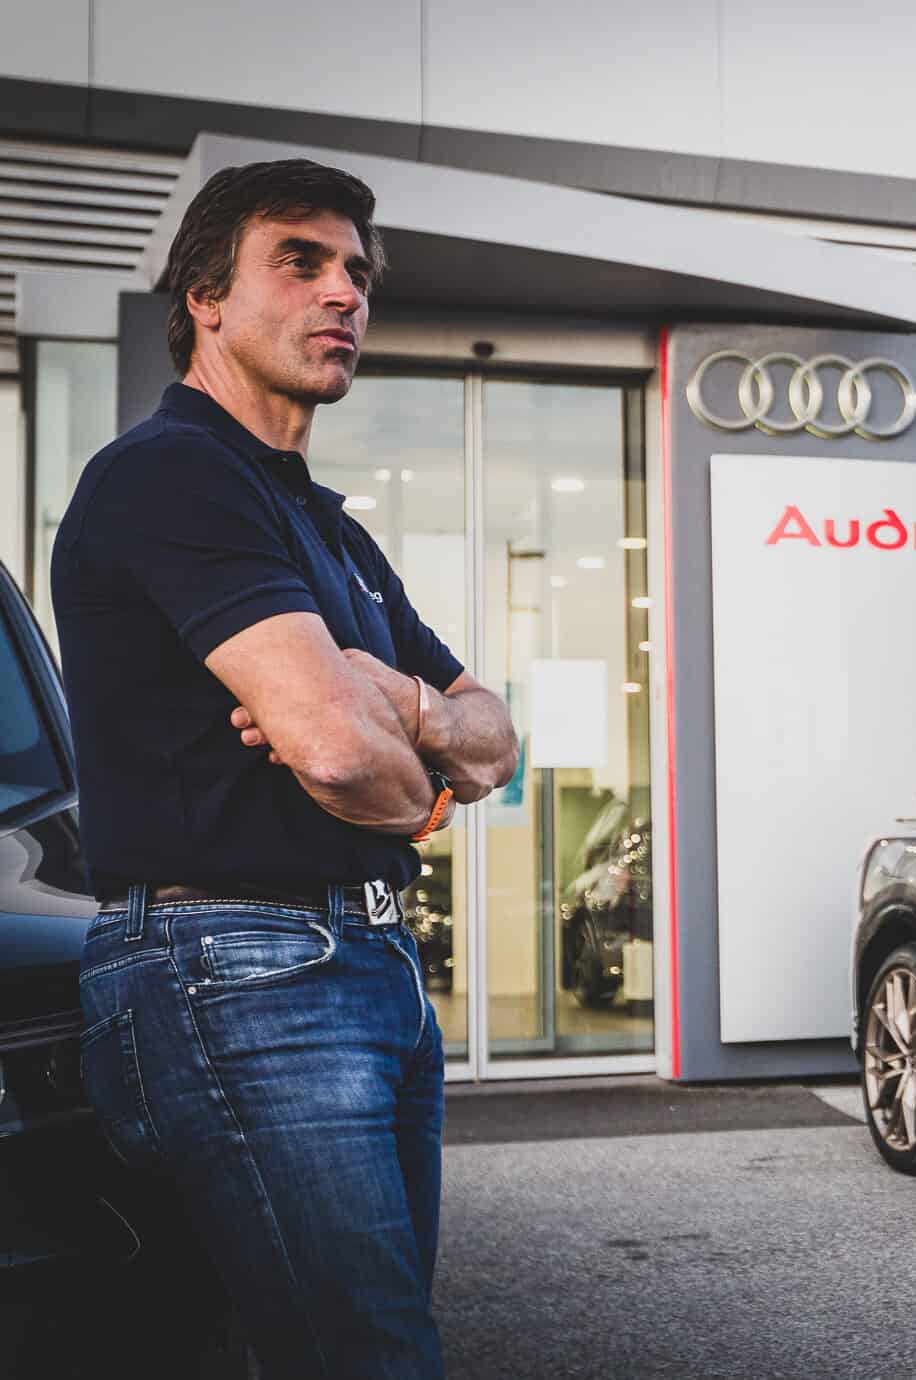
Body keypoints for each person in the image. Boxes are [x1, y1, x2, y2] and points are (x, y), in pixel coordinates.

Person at [53, 159, 518, 1378]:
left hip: (368, 961)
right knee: (370, 1354)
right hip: (239, 965)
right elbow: (339, 750)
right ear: (206, 297)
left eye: (356, 272)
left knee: (357, 1339)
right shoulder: (169, 474)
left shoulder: (329, 529)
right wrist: (413, 776)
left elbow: (497, 737)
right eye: (300, 263)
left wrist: (399, 701)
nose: (343, 294)